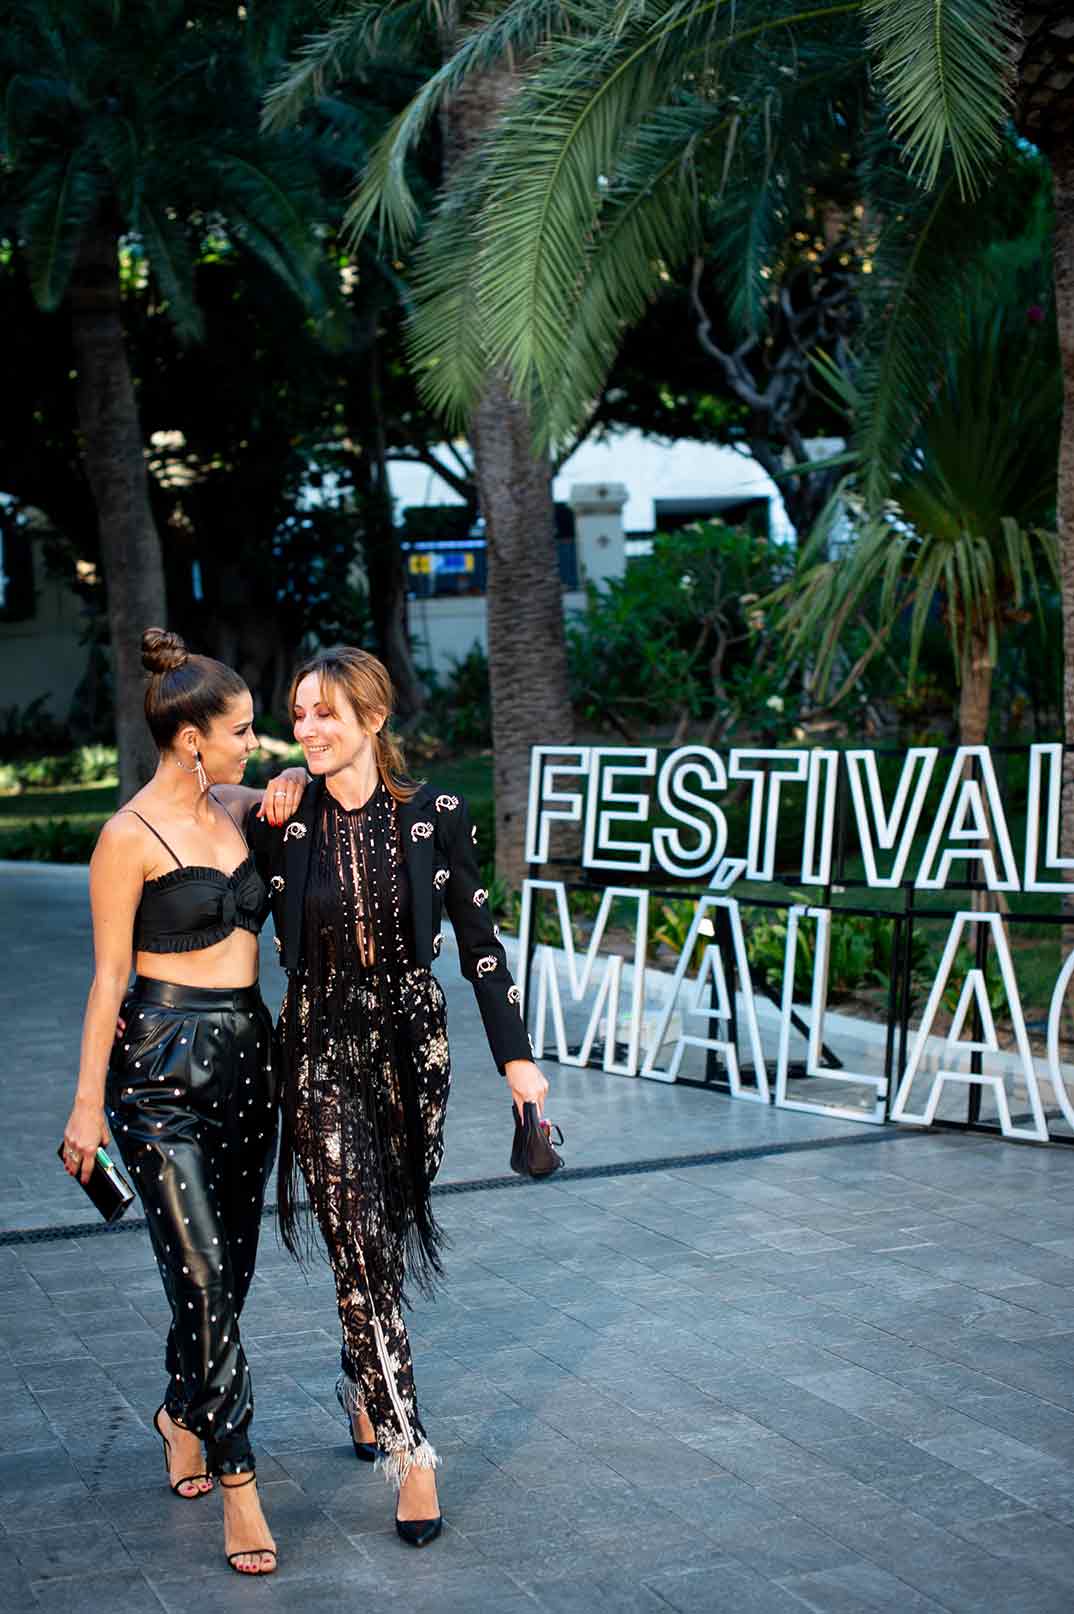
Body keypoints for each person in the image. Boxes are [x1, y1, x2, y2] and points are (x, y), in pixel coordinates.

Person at [246, 645, 549, 1548]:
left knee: (392, 1221)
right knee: (355, 1239)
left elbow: (482, 947)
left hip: (413, 1044)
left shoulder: (435, 818)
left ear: (374, 720)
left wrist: (518, 1063)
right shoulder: (284, 821)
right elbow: (215, 862)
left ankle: (360, 1372)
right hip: (317, 1042)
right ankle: (412, 1453)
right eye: (297, 714)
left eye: (325, 713)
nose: (306, 730)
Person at [60, 628, 308, 1577]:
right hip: (158, 1070)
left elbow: (305, 795)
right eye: (242, 731)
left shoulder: (240, 808)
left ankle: (179, 1408)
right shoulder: (125, 837)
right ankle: (239, 1481)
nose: (257, 744)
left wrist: (286, 789)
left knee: (229, 1272)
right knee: (202, 1277)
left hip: (251, 1054)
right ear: (190, 736)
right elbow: (107, 978)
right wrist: (87, 1110)